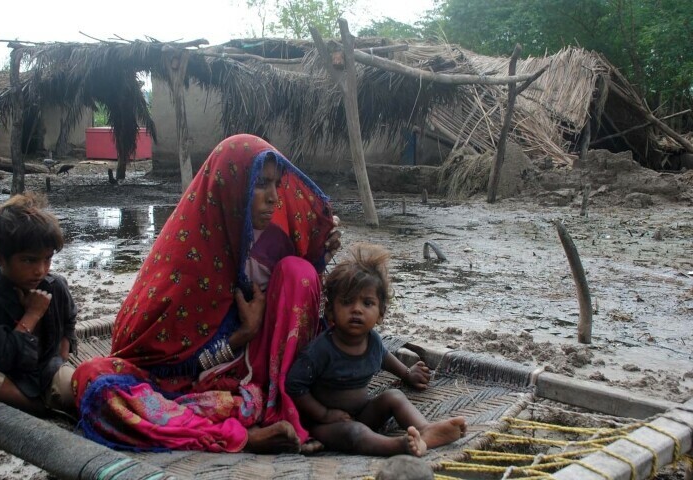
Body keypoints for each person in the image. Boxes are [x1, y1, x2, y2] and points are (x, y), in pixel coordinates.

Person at [71, 134, 340, 453]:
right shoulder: (187, 257)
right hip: (186, 387)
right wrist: (243, 334)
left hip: (257, 381)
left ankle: (282, 404)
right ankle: (241, 436)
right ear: (231, 188)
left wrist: (320, 250)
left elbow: (299, 309)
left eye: (277, 185)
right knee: (95, 383)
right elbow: (148, 356)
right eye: (261, 184)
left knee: (301, 273)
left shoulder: (275, 243)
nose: (274, 199)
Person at [286, 243, 467, 457]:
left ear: (380, 313)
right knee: (356, 432)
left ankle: (426, 430)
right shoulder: (322, 349)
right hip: (325, 426)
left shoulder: (372, 340)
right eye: (347, 302)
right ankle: (399, 446)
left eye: (367, 303)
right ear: (331, 312)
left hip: (364, 413)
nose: (356, 309)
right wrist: (325, 414)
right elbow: (294, 385)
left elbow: (384, 357)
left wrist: (407, 374)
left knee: (394, 396)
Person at [0, 192, 77, 416]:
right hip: (2, 375)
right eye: (28, 260)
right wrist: (32, 314)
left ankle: (45, 399)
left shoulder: (55, 286)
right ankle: (35, 407)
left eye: (47, 259)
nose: (40, 269)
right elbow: (2, 361)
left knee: (72, 390)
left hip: (46, 370)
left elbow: (69, 320)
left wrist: (62, 356)